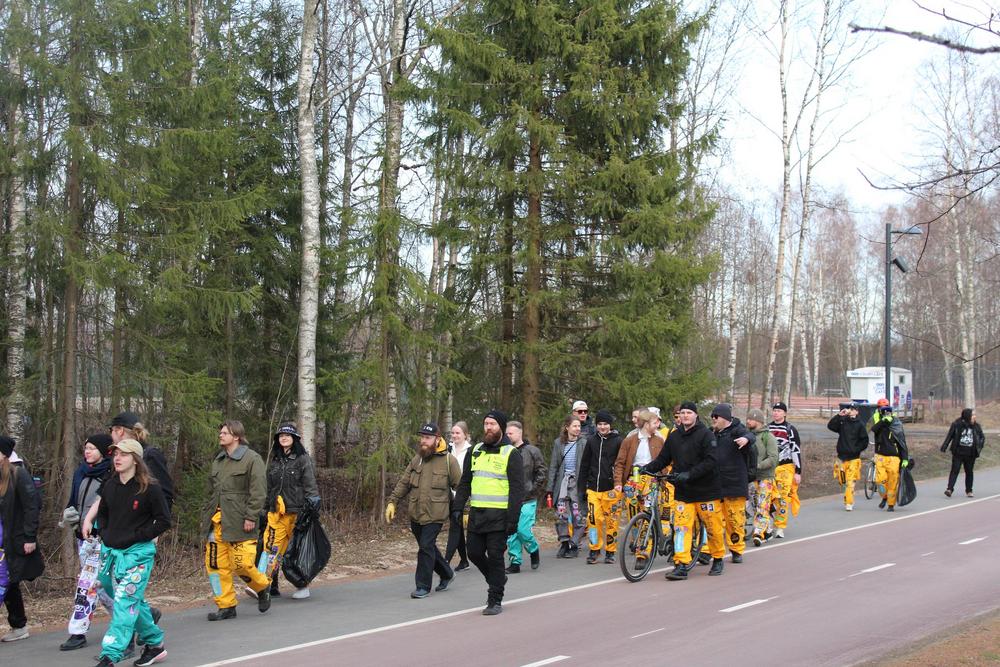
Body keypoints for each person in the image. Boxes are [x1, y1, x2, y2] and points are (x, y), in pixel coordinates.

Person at [83, 438, 171, 667]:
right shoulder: (110, 485)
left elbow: (163, 520)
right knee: (131, 601)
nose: (117, 458)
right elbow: (103, 513)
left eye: (123, 454)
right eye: (115, 454)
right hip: (112, 553)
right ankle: (155, 644)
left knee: (124, 602)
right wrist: (103, 532)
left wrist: (140, 535)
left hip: (138, 555)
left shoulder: (150, 488)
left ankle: (110, 655)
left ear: (136, 459)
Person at [641, 402, 725, 579]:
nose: (685, 415)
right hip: (684, 492)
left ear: (696, 415)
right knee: (681, 528)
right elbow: (663, 458)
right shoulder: (674, 436)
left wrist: (690, 474)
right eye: (682, 413)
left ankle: (718, 558)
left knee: (713, 527)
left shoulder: (706, 435)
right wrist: (647, 468)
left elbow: (711, 461)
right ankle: (681, 564)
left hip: (706, 491)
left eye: (689, 412)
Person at [452, 410, 524, 615]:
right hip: (478, 514)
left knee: (495, 557)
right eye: (486, 424)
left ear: (501, 427)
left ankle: (495, 599)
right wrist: (457, 507)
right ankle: (497, 579)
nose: (488, 427)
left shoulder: (511, 453)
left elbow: (517, 490)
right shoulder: (475, 451)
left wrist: (513, 520)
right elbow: (465, 482)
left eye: (492, 424)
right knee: (473, 553)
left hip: (500, 517)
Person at [385, 423, 461, 599]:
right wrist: (392, 502)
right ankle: (447, 573)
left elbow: (461, 487)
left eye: (427, 438)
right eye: (422, 437)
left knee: (425, 547)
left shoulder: (449, 461)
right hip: (416, 512)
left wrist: (465, 510)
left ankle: (423, 586)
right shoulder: (417, 459)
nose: (423, 441)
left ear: (437, 439)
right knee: (427, 547)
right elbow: (404, 482)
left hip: (436, 513)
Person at [204, 420, 270, 621]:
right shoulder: (219, 460)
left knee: (241, 564)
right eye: (221, 432)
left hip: (240, 521)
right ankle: (226, 606)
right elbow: (211, 491)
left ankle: (262, 587)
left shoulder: (252, 459)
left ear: (237, 436)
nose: (220, 435)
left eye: (225, 433)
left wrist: (251, 516)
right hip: (217, 522)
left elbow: (258, 491)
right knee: (215, 566)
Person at [59, 433, 115, 651]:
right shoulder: (81, 472)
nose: (87, 452)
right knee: (101, 586)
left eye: (92, 448)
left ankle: (78, 632)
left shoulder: (111, 473)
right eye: (86, 448)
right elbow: (74, 500)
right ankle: (138, 617)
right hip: (83, 537)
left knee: (88, 584)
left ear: (103, 451)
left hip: (102, 538)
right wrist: (69, 516)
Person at [261, 423, 320, 599]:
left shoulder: (303, 459)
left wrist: (312, 507)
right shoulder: (275, 460)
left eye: (287, 435)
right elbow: (269, 488)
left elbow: (310, 485)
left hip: (297, 514)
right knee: (271, 548)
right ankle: (264, 584)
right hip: (276, 514)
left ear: (294, 438)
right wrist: (264, 509)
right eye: (281, 436)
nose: (284, 438)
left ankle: (302, 585)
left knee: (294, 552)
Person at [0, 436, 42, 643]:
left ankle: (19, 625)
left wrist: (29, 537)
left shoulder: (19, 474)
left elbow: (32, 506)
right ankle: (19, 625)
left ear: (4, 455)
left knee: (5, 581)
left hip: (13, 539)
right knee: (10, 583)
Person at [709, 404, 755, 564]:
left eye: (716, 416)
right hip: (715, 484)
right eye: (712, 416)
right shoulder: (711, 433)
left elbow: (750, 436)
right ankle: (710, 551)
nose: (713, 419)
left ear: (725, 418)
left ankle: (736, 549)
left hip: (734, 484)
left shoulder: (737, 430)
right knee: (713, 520)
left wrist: (746, 439)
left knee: (734, 520)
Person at [578, 410, 623, 564]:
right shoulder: (591, 441)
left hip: (611, 489)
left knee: (612, 522)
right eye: (600, 424)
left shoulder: (618, 441)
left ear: (610, 425)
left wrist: (620, 483)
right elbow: (584, 465)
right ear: (596, 425)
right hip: (593, 489)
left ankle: (610, 551)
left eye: (605, 424)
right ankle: (594, 549)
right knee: (593, 520)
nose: (602, 427)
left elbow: (621, 464)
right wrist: (581, 488)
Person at [109, 412, 175, 511]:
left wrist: (154, 520)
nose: (110, 435)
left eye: (111, 430)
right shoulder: (116, 458)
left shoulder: (151, 455)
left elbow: (164, 496)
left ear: (120, 431)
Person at [505, 421, 546, 573]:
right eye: (507, 433)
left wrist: (533, 490)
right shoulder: (505, 452)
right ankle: (515, 562)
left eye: (511, 433)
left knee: (522, 530)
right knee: (511, 533)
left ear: (519, 433)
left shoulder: (532, 451)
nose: (508, 436)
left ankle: (533, 550)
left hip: (528, 498)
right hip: (509, 499)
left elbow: (542, 472)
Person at [545, 415, 586, 558]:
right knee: (561, 514)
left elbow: (587, 466)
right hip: (562, 483)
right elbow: (553, 466)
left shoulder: (584, 443)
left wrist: (587, 486)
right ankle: (564, 542)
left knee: (577, 515)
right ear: (567, 427)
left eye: (579, 426)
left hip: (577, 484)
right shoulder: (559, 443)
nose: (577, 428)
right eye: (574, 426)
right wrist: (550, 488)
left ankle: (574, 544)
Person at [767, 402, 802, 538]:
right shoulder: (767, 428)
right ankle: (767, 523)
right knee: (768, 497)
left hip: (786, 468)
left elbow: (795, 450)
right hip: (770, 467)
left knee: (783, 497)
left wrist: (798, 471)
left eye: (779, 411)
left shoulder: (790, 429)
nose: (776, 413)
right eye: (775, 410)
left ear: (785, 413)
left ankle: (780, 526)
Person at [827, 403, 869, 511]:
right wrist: (839, 415)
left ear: (857, 412)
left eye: (853, 409)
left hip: (854, 458)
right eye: (850, 408)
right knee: (843, 481)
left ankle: (849, 503)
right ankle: (848, 497)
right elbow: (830, 426)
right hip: (841, 458)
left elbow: (865, 441)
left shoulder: (860, 424)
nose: (851, 410)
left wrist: (856, 449)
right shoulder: (843, 422)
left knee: (850, 482)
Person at [746, 409, 778, 546]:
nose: (747, 421)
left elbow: (773, 458)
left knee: (762, 505)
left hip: (765, 477)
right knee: (754, 506)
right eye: (747, 419)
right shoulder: (747, 436)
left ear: (758, 420)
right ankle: (768, 528)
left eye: (750, 419)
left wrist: (758, 465)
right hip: (751, 477)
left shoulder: (768, 437)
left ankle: (759, 532)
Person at [444, 422, 472, 571]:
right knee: (458, 527)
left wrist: (467, 504)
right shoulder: (447, 449)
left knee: (455, 527)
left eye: (458, 433)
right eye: (453, 433)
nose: (454, 436)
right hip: (449, 495)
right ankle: (464, 561)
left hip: (463, 497)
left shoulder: (471, 451)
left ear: (465, 435)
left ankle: (445, 562)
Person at [871, 406, 909, 511]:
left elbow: (902, 443)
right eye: (885, 413)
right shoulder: (880, 426)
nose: (887, 415)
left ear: (892, 414)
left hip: (894, 458)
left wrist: (905, 458)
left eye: (888, 413)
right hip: (880, 457)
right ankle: (884, 497)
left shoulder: (897, 426)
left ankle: (891, 504)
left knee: (893, 481)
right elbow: (873, 429)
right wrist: (883, 421)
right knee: (880, 480)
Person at [941, 408, 986, 498]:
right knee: (955, 470)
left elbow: (982, 437)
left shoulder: (976, 426)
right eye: (973, 415)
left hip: (971, 453)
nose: (974, 417)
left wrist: (979, 447)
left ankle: (969, 490)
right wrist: (944, 446)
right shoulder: (957, 424)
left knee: (969, 472)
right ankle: (949, 489)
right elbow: (950, 435)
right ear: (967, 416)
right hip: (958, 452)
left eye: (974, 415)